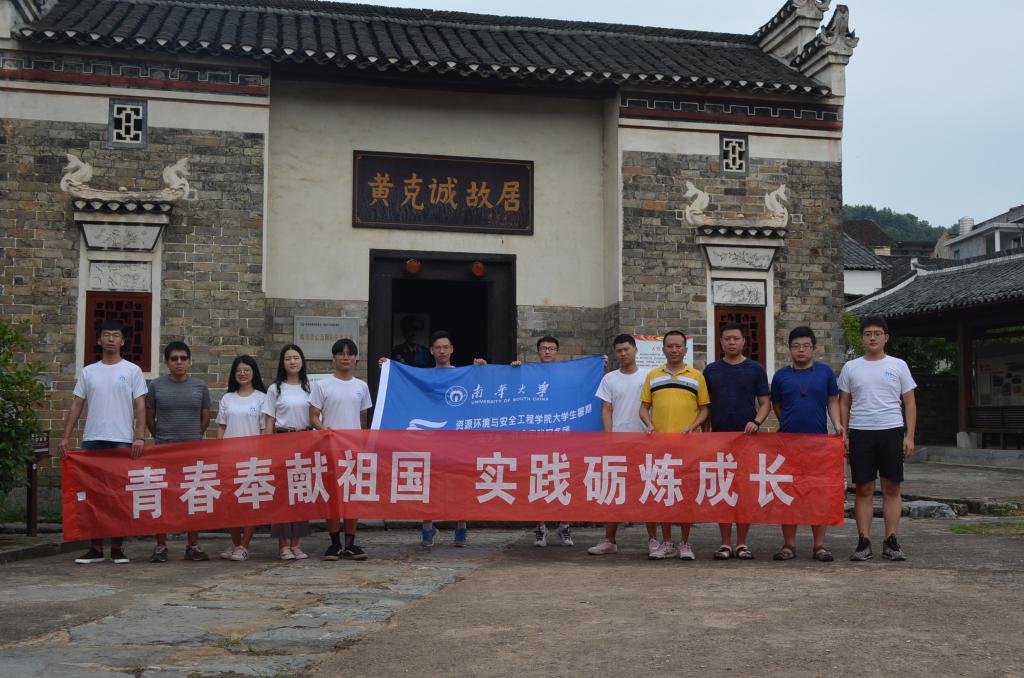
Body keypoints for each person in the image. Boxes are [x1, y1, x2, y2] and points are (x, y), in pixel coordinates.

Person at [57, 319, 147, 564]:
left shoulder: (132, 371)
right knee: (93, 495)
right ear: (99, 340)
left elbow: (140, 405)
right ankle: (95, 548)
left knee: (118, 495)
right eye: (106, 335)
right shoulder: (89, 372)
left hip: (121, 440)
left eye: (115, 335)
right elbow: (77, 404)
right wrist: (65, 436)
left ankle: (117, 548)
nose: (110, 339)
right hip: (93, 440)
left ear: (122, 341)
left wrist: (139, 436)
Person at [839, 316, 917, 562]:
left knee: (892, 487)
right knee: (864, 488)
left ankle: (891, 540)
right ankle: (864, 541)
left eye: (877, 333)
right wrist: (844, 433)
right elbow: (844, 402)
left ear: (886, 337)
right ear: (861, 338)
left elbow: (909, 402)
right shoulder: (851, 367)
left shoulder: (898, 365)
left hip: (891, 430)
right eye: (868, 333)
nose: (872, 338)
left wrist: (909, 436)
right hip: (860, 432)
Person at [380, 330, 469, 547]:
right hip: (429, 440)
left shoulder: (465, 375)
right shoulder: (423, 377)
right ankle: (428, 526)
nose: (442, 351)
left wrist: (482, 368)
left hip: (456, 440)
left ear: (452, 349)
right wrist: (389, 368)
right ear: (431, 351)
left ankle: (461, 525)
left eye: (445, 347)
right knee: (429, 483)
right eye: (437, 347)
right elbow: (405, 388)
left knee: (458, 483)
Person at [769, 326, 845, 562]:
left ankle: (819, 545)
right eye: (796, 346)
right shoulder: (781, 376)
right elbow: (777, 405)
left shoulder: (825, 372)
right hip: (788, 443)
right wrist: (789, 423)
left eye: (805, 346)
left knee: (817, 493)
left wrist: (838, 424)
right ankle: (789, 545)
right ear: (789, 349)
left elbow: (833, 400)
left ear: (814, 348)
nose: (800, 350)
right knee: (788, 492)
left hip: (818, 442)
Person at [639, 330, 710, 561]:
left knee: (686, 495)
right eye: (670, 346)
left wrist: (693, 426)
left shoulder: (696, 376)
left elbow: (705, 409)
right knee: (664, 493)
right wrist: (649, 424)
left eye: (678, 346)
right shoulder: (653, 376)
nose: (674, 350)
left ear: (685, 350)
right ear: (663, 349)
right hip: (660, 446)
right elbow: (643, 407)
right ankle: (667, 542)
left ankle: (685, 543)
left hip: (688, 446)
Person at [702, 323, 771, 561]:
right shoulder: (711, 370)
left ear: (744, 342)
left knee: (743, 491)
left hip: (746, 440)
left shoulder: (755, 369)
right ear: (720, 342)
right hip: (719, 440)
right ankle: (724, 543)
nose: (731, 342)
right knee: (723, 490)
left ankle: (741, 543)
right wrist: (706, 435)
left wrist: (757, 422)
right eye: (727, 339)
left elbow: (765, 402)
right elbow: (705, 407)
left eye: (736, 338)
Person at [145, 341, 211, 563]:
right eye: (174, 359)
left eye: (183, 358)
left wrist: (194, 436)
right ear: (167, 363)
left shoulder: (200, 386)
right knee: (162, 496)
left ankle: (193, 544)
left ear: (190, 362)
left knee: (193, 496)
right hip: (164, 450)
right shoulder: (156, 386)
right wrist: (161, 437)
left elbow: (205, 416)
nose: (179, 362)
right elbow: (149, 417)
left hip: (192, 451)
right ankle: (161, 545)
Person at [310, 338, 372, 561]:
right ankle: (334, 543)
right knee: (332, 495)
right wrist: (323, 429)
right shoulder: (322, 385)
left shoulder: (361, 386)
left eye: (349, 353)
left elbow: (361, 417)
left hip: (353, 449)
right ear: (333, 358)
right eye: (341, 353)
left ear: (356, 359)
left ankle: (351, 543)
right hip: (330, 447)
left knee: (352, 494)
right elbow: (313, 416)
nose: (345, 357)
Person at [588, 334, 646, 556]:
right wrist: (608, 438)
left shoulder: (648, 376)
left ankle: (653, 539)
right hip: (618, 442)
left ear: (635, 350)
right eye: (619, 351)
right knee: (614, 491)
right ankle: (609, 540)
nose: (623, 354)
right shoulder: (609, 379)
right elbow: (606, 409)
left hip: (644, 441)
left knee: (648, 489)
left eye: (626, 349)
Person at [262, 344, 313, 561]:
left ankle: (296, 543)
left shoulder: (310, 388)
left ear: (302, 361)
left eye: (296, 357)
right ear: (282, 363)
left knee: (301, 493)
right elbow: (269, 420)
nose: (292, 362)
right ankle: (283, 544)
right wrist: (267, 447)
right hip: (282, 440)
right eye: (288, 358)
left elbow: (316, 415)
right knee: (282, 495)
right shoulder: (275, 389)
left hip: (306, 442)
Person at [215, 354, 267, 562]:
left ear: (254, 372)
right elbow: (221, 427)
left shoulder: (262, 398)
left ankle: (245, 545)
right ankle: (235, 543)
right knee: (232, 503)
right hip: (230, 458)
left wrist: (262, 455)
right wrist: (219, 453)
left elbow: (264, 430)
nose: (242, 374)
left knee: (249, 502)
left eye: (246, 370)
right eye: (238, 370)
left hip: (252, 459)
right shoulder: (228, 398)